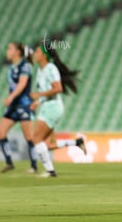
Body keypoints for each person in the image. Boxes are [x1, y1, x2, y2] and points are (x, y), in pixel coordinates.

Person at [31, 40, 84, 177]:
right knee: (47, 144)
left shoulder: (51, 68)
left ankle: (50, 171)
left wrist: (39, 95)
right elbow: (46, 90)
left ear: (44, 55)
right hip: (46, 106)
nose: (34, 54)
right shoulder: (40, 70)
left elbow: (58, 88)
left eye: (37, 51)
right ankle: (77, 142)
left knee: (36, 138)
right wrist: (38, 101)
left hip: (53, 107)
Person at [0, 42, 38, 173]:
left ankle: (34, 166)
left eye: (10, 48)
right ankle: (9, 162)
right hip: (13, 106)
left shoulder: (25, 66)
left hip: (24, 105)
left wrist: (10, 97)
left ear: (17, 52)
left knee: (29, 137)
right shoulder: (11, 66)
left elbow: (22, 85)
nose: (7, 51)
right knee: (1, 132)